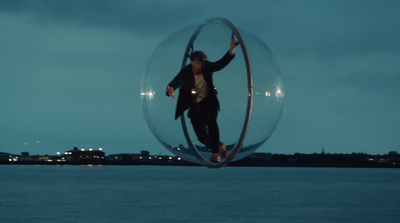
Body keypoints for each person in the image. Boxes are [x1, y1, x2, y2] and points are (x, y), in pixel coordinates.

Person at [166, 38, 238, 163]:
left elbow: (220, 63)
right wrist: (170, 89)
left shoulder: (207, 67)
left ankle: (215, 154)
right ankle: (219, 145)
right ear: (192, 63)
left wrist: (232, 48)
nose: (198, 67)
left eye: (200, 64)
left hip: (209, 102)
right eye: (195, 65)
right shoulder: (187, 71)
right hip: (195, 106)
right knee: (201, 136)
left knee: (212, 124)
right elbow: (177, 80)